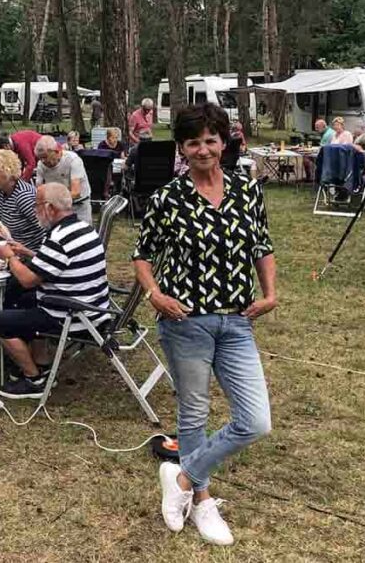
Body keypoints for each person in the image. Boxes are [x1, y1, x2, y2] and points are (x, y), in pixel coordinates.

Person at [133, 103, 276, 547]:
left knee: (255, 421)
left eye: (210, 140)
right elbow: (142, 255)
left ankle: (180, 478)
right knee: (193, 413)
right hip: (185, 322)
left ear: (223, 143)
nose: (202, 149)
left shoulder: (246, 191)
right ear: (182, 147)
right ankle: (203, 499)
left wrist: (269, 292)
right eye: (193, 142)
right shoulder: (167, 199)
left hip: (236, 320)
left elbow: (261, 245)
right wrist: (155, 294)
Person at [0, 183, 111, 398]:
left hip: (74, 316)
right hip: (95, 309)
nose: (35, 211)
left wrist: (9, 256)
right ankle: (42, 363)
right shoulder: (83, 228)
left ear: (50, 208)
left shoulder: (58, 238)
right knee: (26, 301)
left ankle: (34, 379)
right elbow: (58, 262)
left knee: (0, 321)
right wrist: (27, 251)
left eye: (37, 205)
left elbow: (28, 280)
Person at [0, 149, 47, 254]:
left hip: (33, 255)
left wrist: (30, 253)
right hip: (13, 251)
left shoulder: (24, 197)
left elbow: (47, 229)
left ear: (8, 173)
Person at [34, 135, 92, 223]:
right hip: (57, 208)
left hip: (79, 206)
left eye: (45, 157)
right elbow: (39, 190)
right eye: (40, 158)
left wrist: (54, 201)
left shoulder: (73, 160)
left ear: (55, 152)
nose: (43, 161)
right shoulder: (41, 165)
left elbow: (76, 192)